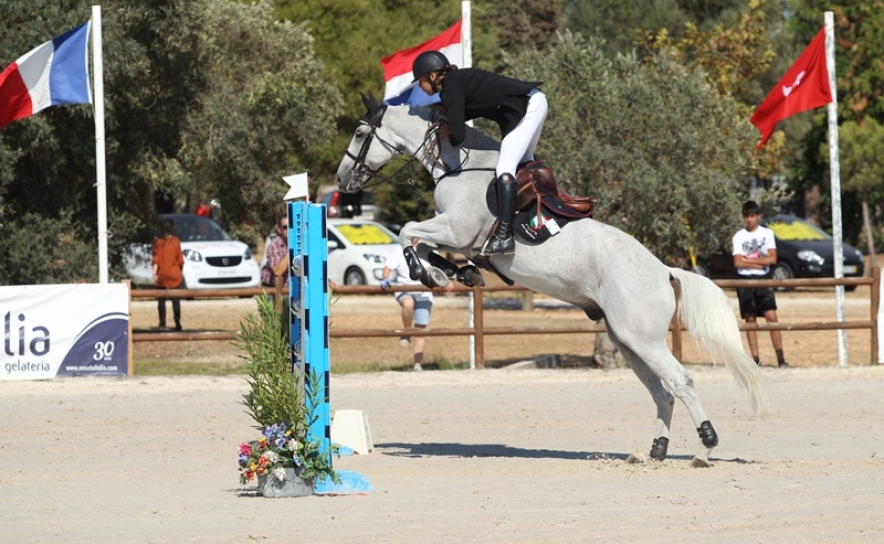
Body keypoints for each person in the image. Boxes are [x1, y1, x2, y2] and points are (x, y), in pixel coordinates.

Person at [411, 50, 547, 256]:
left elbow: (457, 135)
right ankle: (540, 212)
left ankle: (504, 235)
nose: (420, 87)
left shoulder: (450, 88)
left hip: (528, 106)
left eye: (420, 81)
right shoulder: (456, 82)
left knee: (505, 167)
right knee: (524, 162)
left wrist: (449, 132)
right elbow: (473, 108)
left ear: (432, 75)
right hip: (533, 102)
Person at [732, 200, 788, 367]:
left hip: (763, 279)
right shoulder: (738, 236)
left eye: (752, 216)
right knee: (750, 319)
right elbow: (737, 263)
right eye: (746, 216)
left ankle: (781, 358)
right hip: (745, 280)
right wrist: (761, 262)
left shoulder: (767, 234)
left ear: (758, 216)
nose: (749, 219)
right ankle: (755, 359)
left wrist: (750, 261)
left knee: (772, 317)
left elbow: (773, 258)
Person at [381, 239, 435, 371]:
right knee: (408, 303)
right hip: (405, 288)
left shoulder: (428, 250)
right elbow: (388, 266)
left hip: (424, 293)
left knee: (420, 331)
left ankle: (417, 365)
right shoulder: (401, 250)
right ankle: (406, 332)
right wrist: (385, 278)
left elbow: (439, 268)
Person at [152, 219, 184, 331]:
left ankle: (162, 322)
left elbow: (155, 260)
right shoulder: (176, 241)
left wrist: (154, 274)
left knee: (161, 300)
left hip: (162, 275)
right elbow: (180, 260)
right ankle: (177, 321)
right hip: (174, 274)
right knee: (176, 300)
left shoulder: (157, 242)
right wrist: (180, 272)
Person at [261, 214, 289, 289]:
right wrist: (290, 252)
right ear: (279, 230)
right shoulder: (274, 246)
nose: (289, 230)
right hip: (271, 288)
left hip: (287, 288)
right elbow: (278, 272)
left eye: (291, 226)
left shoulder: (299, 244)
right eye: (285, 227)